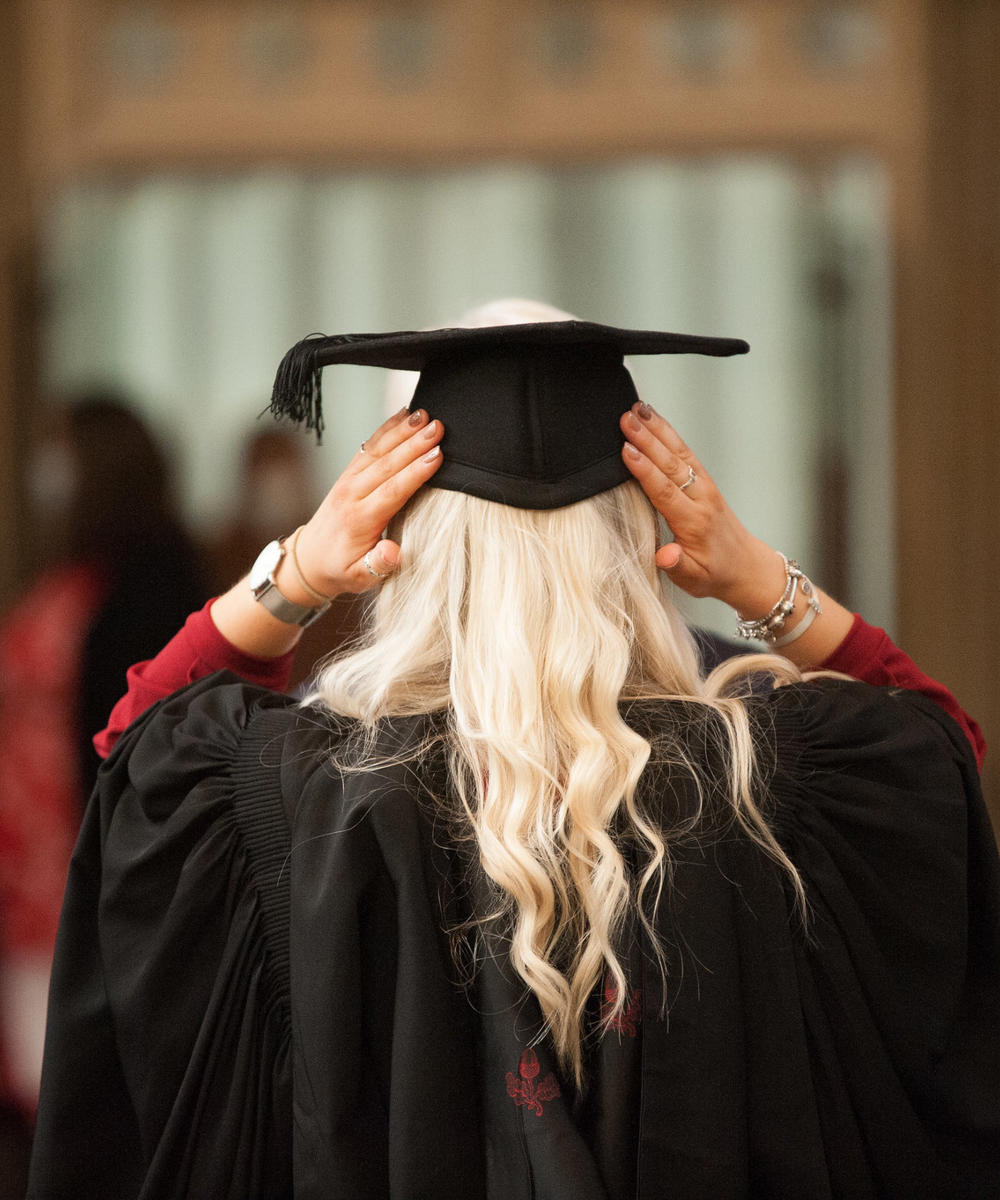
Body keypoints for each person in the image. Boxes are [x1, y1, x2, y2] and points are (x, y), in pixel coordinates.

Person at [28, 319, 998, 1200]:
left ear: (408, 543)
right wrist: (760, 582)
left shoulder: (304, 790)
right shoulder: (764, 780)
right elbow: (940, 747)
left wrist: (295, 578)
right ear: (642, 535)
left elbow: (133, 748)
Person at [0, 395, 204, 1134]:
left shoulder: (150, 583)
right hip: (31, 871)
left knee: (78, 1105)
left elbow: (146, 742)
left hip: (86, 869)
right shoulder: (73, 571)